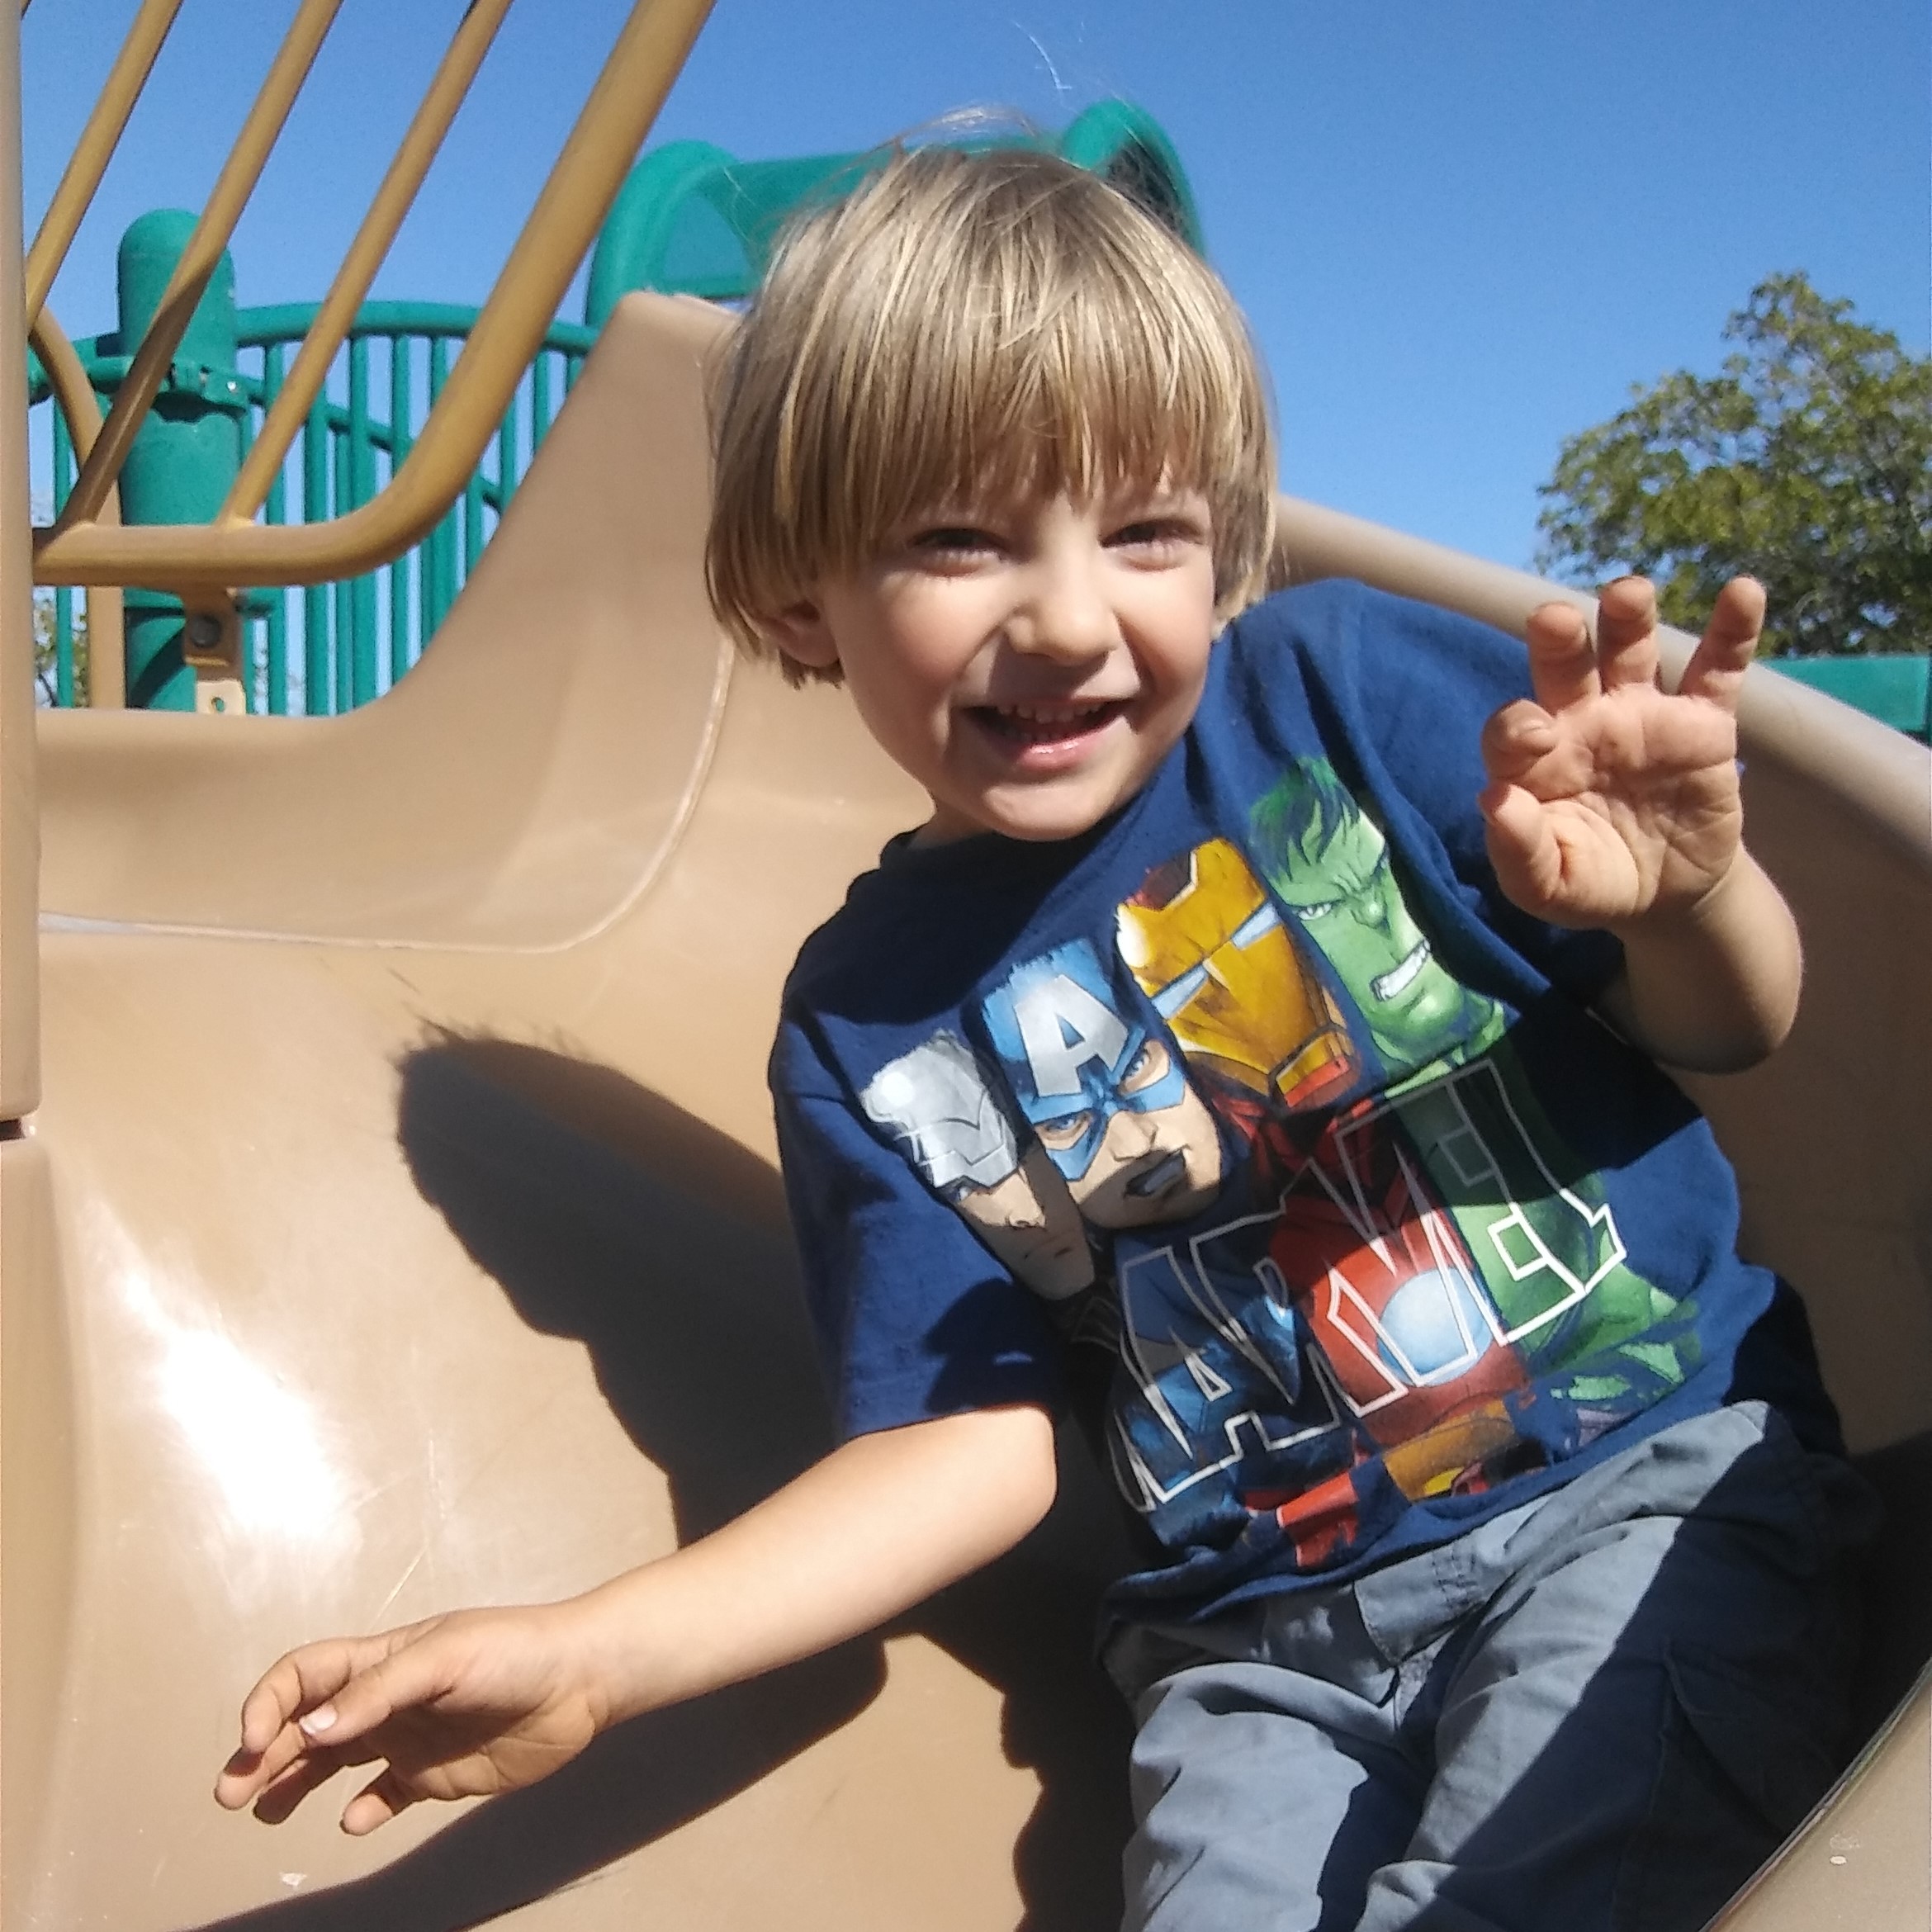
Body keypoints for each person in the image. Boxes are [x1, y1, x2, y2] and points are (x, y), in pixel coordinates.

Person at [215, 144, 1871, 1932]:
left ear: (1224, 545)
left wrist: (1688, 899)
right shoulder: (863, 1024)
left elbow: (1733, 1032)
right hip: (1256, 1661)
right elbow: (966, 1444)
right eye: (955, 537)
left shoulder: (1339, 700)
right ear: (796, 599)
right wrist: (592, 1658)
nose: (1071, 617)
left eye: (1143, 530)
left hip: (1638, 1505)